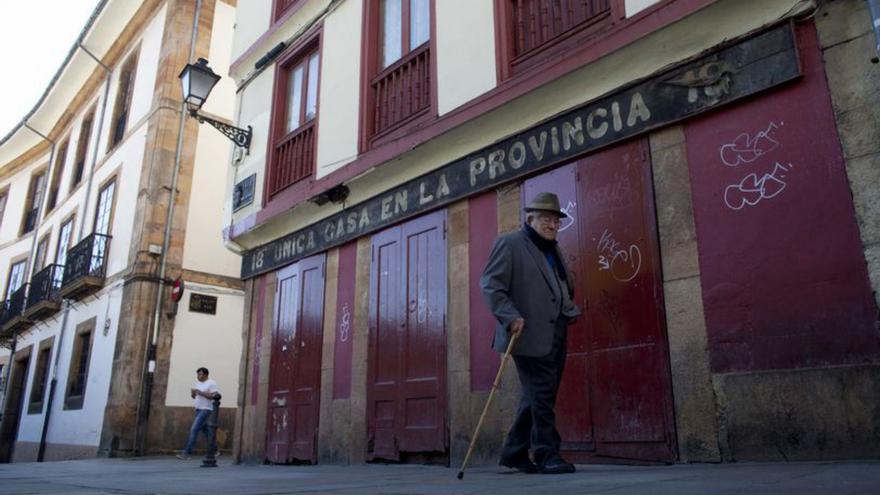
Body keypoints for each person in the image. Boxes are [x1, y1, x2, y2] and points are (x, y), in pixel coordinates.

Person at [480, 192, 581, 475]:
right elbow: (491, 284)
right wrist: (509, 316)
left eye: (556, 221)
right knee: (543, 394)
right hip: (525, 332)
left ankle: (514, 451)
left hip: (556, 328)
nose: (552, 225)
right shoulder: (510, 243)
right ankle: (547, 454)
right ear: (531, 219)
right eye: (546, 219)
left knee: (537, 394)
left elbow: (558, 285)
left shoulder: (552, 249)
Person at [177, 367, 219, 460]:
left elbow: (214, 396)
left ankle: (186, 453)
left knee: (194, 429)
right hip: (198, 409)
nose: (198, 376)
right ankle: (215, 449)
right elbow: (194, 397)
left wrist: (200, 392)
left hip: (206, 409)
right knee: (207, 431)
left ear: (206, 375)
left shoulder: (212, 383)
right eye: (197, 374)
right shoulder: (198, 383)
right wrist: (193, 394)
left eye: (200, 374)